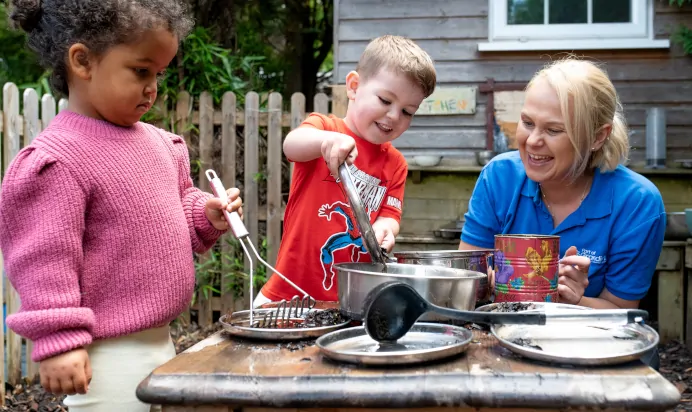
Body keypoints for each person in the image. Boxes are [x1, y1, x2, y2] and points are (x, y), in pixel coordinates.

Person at [0, 1, 243, 411]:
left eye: (159, 74)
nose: (154, 86)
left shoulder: (161, 145)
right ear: (83, 62)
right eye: (141, 70)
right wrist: (59, 341)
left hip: (162, 339)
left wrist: (204, 212)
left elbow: (173, 204)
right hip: (104, 355)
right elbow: (44, 260)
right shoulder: (58, 160)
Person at [459, 57, 666, 312]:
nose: (533, 141)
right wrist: (487, 283)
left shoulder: (637, 203)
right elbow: (466, 277)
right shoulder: (499, 177)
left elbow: (621, 310)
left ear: (598, 136)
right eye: (528, 122)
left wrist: (574, 302)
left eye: (553, 130)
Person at [255, 35, 437, 306]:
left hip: (351, 300)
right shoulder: (324, 127)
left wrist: (385, 229)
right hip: (289, 291)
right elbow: (291, 146)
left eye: (407, 112)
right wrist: (325, 142)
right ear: (354, 86)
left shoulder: (396, 164)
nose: (393, 116)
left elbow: (390, 215)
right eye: (385, 100)